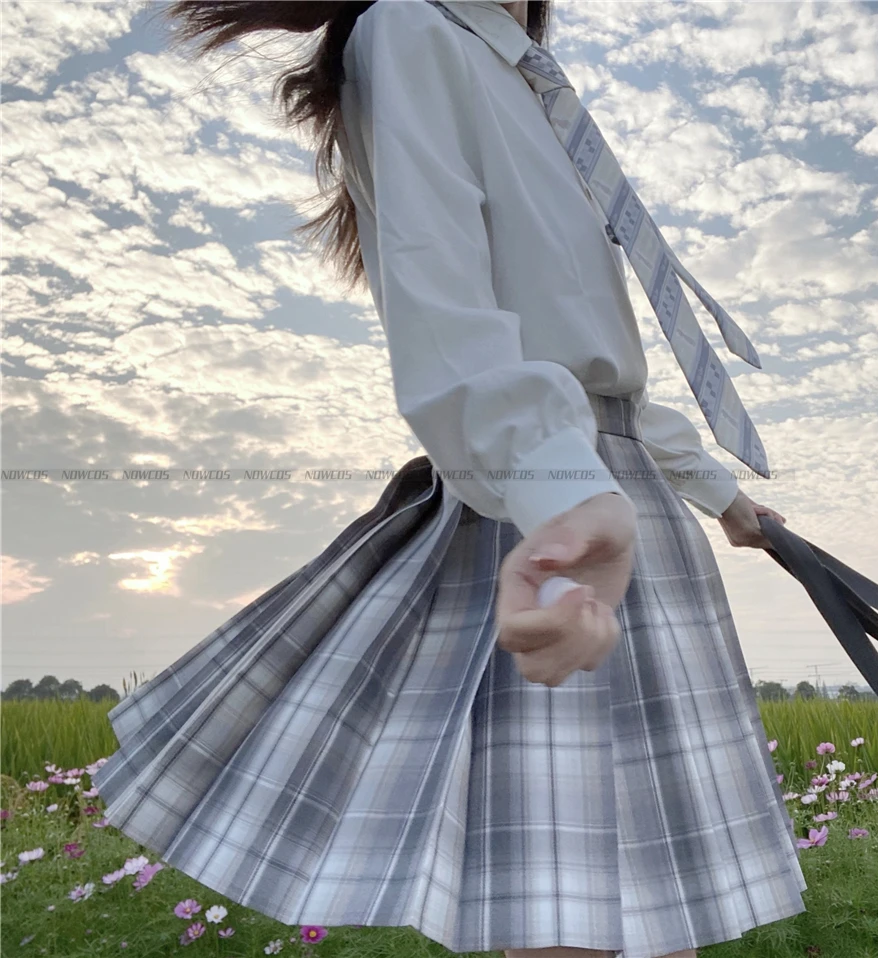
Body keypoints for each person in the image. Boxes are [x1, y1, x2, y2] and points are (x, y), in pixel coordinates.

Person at [93, 3, 807, 958]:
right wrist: (560, 492)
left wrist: (720, 496)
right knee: (570, 931)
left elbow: (598, 371)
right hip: (552, 509)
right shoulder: (411, 30)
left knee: (650, 922)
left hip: (614, 498)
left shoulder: (529, 80)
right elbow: (447, 312)